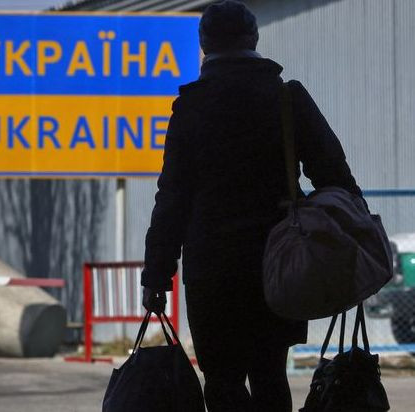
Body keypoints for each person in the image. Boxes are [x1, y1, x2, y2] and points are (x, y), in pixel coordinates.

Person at [140, 1, 363, 411]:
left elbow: (172, 198)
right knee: (270, 373)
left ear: (204, 45)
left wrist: (156, 273)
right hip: (281, 263)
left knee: (221, 380)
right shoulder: (286, 98)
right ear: (255, 38)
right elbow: (334, 174)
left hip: (212, 269)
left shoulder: (190, 108)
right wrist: (357, 237)